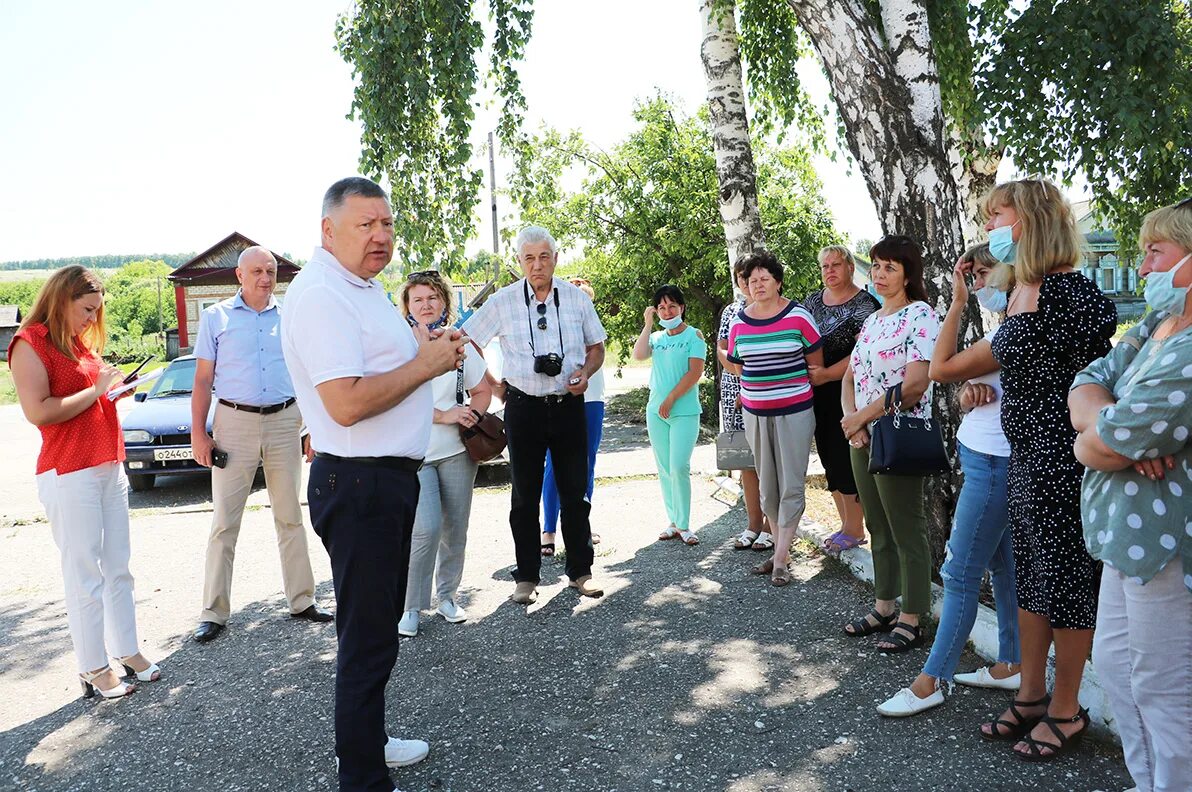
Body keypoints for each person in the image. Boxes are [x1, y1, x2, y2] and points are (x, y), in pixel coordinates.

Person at [281, 177, 465, 791]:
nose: (381, 235)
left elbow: (384, 370)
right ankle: (361, 775)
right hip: (359, 483)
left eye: (387, 223)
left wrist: (427, 348)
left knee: (375, 629)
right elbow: (346, 404)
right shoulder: (322, 296)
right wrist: (427, 364)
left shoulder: (359, 289)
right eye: (366, 224)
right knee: (366, 639)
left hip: (381, 481)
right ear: (328, 230)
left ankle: (369, 743)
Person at [982, 178, 1116, 761]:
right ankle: (1032, 695)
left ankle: (1067, 709)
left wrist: (1026, 300)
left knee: (1067, 587)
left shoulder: (1074, 295)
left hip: (1065, 462)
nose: (990, 229)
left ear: (1031, 221)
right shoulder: (1023, 290)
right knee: (1034, 583)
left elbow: (1092, 377)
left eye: (998, 217)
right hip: (1028, 461)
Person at [1070, 197, 1192, 789]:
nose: (1143, 267)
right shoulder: (1155, 326)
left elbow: (1099, 448)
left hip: (1166, 548)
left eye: (1155, 252)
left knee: (1165, 690)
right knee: (1120, 670)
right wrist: (1114, 423)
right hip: (1125, 536)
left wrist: (1098, 439)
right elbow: (1086, 382)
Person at [877, 243, 1020, 716]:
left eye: (983, 275)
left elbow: (937, 369)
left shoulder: (1021, 325)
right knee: (1001, 563)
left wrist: (956, 303)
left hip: (997, 462)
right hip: (982, 453)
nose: (978, 285)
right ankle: (1012, 662)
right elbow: (964, 389)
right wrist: (966, 395)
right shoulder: (1006, 324)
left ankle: (930, 682)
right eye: (972, 277)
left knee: (959, 572)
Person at [8, 266, 161, 699]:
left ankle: (127, 651)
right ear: (61, 299)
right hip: (68, 471)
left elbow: (88, 395)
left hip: (107, 465)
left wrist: (112, 391)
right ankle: (93, 667)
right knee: (84, 575)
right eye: (87, 309)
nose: (93, 320)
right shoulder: (30, 343)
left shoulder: (76, 343)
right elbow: (40, 412)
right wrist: (96, 390)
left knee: (118, 567)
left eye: (97, 311)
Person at [190, 246, 330, 644]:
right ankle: (213, 612)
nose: (265, 278)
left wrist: (312, 428)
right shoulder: (216, 318)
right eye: (256, 271)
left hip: (286, 421)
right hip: (233, 422)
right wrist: (199, 432)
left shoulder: (290, 317)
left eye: (270, 271)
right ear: (239, 275)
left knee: (290, 516)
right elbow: (202, 381)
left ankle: (302, 600)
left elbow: (308, 374)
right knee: (224, 522)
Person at [461, 226, 607, 604]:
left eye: (544, 256)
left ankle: (581, 571)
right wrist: (492, 383)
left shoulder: (576, 298)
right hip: (522, 406)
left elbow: (597, 347)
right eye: (529, 258)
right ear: (520, 262)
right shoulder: (503, 301)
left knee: (576, 492)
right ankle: (526, 576)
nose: (537, 264)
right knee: (523, 496)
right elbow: (468, 339)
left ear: (556, 259)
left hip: (568, 405)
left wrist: (586, 374)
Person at [840, 235, 940, 652]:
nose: (879, 275)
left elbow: (915, 385)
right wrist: (852, 423)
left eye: (890, 268)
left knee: (906, 527)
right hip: (861, 435)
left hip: (899, 434)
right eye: (876, 266)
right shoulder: (873, 319)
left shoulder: (921, 316)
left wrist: (862, 417)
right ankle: (884, 606)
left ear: (908, 275)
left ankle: (913, 616)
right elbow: (850, 376)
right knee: (876, 524)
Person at [397, 270, 493, 637]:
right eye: (418, 299)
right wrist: (444, 415)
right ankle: (410, 607)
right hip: (415, 453)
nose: (425, 305)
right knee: (426, 529)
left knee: (456, 529)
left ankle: (448, 597)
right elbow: (396, 401)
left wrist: (473, 415)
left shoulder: (459, 343)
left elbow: (483, 390)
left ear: (444, 303)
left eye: (432, 298)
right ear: (407, 305)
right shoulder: (398, 347)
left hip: (456, 452)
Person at [725, 250, 823, 586]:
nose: (758, 285)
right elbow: (738, 366)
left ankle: (780, 558)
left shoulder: (799, 317)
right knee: (767, 486)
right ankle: (780, 549)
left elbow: (815, 365)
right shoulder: (739, 321)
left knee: (791, 483)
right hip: (755, 413)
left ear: (778, 282)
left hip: (795, 413)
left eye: (765, 278)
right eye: (752, 280)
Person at [802, 245, 880, 556]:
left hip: (849, 391)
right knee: (828, 455)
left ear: (850, 267)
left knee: (847, 455)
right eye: (825, 266)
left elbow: (864, 352)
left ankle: (855, 528)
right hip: (815, 392)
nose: (830, 271)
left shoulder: (866, 304)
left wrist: (827, 374)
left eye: (836, 264)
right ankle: (845, 523)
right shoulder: (811, 302)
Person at [632, 284, 708, 545]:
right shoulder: (656, 338)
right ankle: (673, 522)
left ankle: (685, 525)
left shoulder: (694, 336)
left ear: (682, 308)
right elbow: (639, 354)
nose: (667, 311)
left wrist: (672, 398)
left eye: (672, 306)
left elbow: (695, 372)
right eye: (661, 307)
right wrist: (647, 324)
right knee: (664, 469)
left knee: (679, 466)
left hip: (683, 412)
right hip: (656, 412)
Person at [541, 277, 606, 556]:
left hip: (592, 399)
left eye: (584, 297)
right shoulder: (552, 322)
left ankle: (581, 524)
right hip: (561, 398)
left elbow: (596, 353)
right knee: (554, 465)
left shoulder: (593, 326)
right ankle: (549, 529)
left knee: (586, 464)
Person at [717, 260, 773, 552]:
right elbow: (723, 348)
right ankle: (753, 523)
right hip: (734, 386)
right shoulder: (731, 311)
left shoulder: (775, 309)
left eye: (750, 276)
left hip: (765, 390)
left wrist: (750, 384)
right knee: (746, 461)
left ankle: (770, 526)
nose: (746, 281)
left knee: (768, 461)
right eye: (741, 276)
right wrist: (741, 378)